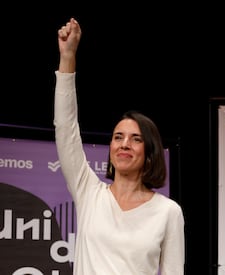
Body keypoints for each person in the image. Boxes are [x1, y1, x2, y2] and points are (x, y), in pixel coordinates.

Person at [54, 18, 185, 274]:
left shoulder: (168, 212)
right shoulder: (89, 193)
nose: (124, 144)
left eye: (136, 139)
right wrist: (68, 58)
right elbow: (66, 128)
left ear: (150, 153)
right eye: (118, 137)